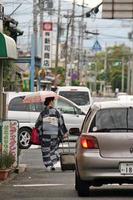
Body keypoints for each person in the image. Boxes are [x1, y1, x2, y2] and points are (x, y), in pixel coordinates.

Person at [35, 96, 68, 171]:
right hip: (54, 135)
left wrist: (41, 129)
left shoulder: (43, 113)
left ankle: (48, 165)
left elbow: (38, 125)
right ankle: (52, 163)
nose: (54, 103)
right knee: (53, 149)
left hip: (45, 135)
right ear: (50, 102)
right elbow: (61, 123)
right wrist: (64, 133)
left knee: (46, 150)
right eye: (53, 101)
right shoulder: (57, 112)